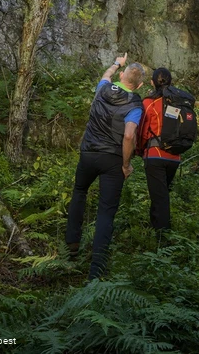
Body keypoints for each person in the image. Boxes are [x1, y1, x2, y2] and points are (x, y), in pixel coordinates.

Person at [65, 52, 144, 280]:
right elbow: (128, 136)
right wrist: (126, 165)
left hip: (89, 153)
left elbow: (106, 75)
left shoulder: (103, 88)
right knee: (106, 212)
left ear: (121, 75)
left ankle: (71, 244)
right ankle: (96, 270)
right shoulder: (135, 104)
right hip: (112, 161)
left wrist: (116, 63)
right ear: (139, 85)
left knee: (79, 191)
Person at [136, 67, 182, 234]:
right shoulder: (178, 102)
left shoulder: (148, 103)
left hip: (155, 155)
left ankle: (163, 239)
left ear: (152, 82)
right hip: (174, 157)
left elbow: (142, 131)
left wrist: (139, 150)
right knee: (160, 195)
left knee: (160, 197)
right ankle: (155, 230)